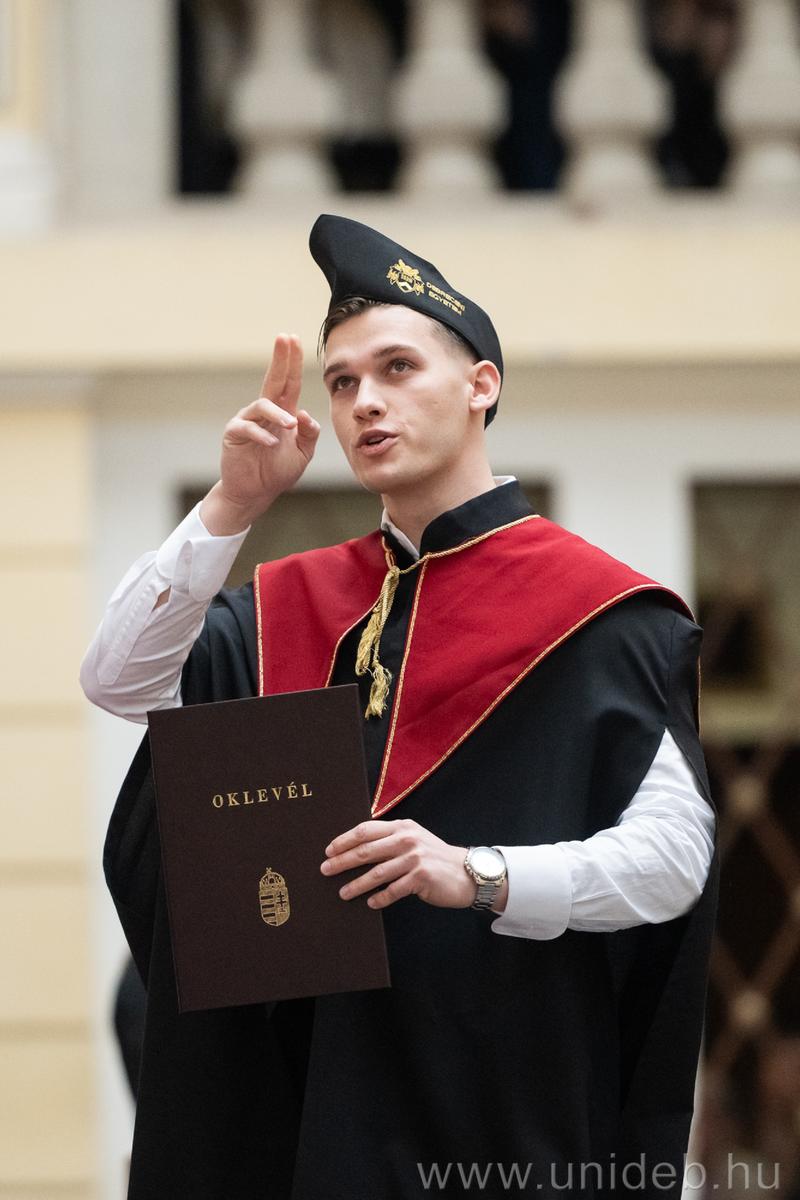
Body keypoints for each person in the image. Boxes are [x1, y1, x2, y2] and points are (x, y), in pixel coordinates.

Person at [82, 215, 717, 1200]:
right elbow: (119, 680)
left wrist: (478, 875)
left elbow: (673, 863)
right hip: (307, 1120)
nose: (365, 402)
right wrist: (230, 507)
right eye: (342, 383)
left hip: (501, 1117)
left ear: (480, 385)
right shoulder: (291, 603)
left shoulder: (601, 614)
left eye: (396, 368)